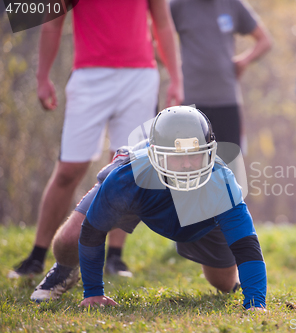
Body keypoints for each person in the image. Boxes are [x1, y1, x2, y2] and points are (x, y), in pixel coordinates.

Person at [30, 106, 267, 311]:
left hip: (199, 218)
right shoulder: (127, 177)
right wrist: (93, 292)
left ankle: (237, 282)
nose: (186, 165)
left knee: (224, 282)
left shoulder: (221, 183)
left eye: (194, 155)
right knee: (72, 237)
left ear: (209, 152)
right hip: (141, 197)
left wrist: (256, 303)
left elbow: (246, 246)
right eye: (176, 157)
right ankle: (64, 271)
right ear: (155, 156)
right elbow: (93, 231)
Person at [10, 0, 183, 278]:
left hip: (140, 77)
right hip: (89, 77)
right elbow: (53, 22)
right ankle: (37, 255)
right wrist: (42, 77)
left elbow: (162, 22)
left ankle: (115, 257)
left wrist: (176, 78)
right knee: (69, 170)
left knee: (129, 169)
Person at [170, 0, 272, 147]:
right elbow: (156, 37)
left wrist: (244, 60)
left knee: (230, 164)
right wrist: (175, 67)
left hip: (227, 102)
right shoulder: (178, 5)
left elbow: (265, 40)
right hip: (190, 103)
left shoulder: (232, 4)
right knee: (190, 164)